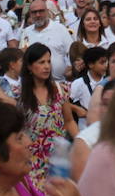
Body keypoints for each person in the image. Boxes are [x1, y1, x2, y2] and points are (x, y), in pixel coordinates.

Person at [17, 43, 76, 185]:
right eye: (41, 62)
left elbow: (69, 121)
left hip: (58, 159)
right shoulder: (19, 95)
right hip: (32, 161)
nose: (46, 66)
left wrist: (79, 142)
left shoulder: (59, 90)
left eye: (49, 61)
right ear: (30, 67)